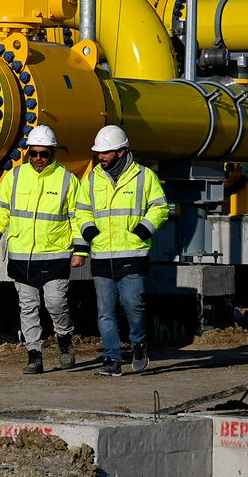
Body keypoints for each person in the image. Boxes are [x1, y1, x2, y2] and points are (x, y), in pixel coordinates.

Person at [0, 125, 84, 374]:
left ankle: (64, 339)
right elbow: (0, 210)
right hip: (21, 255)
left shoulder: (67, 179)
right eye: (34, 153)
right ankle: (34, 355)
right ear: (28, 153)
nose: (38, 158)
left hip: (56, 254)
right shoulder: (15, 177)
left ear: (52, 153)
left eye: (44, 154)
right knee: (27, 307)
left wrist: (80, 250)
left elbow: (79, 217)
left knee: (56, 303)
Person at [74, 124, 170, 377]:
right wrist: (89, 232)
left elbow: (160, 207)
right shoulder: (93, 178)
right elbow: (81, 210)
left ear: (121, 151)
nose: (101, 157)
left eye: (105, 152)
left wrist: (143, 231)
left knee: (133, 305)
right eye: (99, 153)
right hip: (102, 254)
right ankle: (112, 359)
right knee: (105, 313)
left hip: (133, 253)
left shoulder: (144, 176)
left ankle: (138, 343)